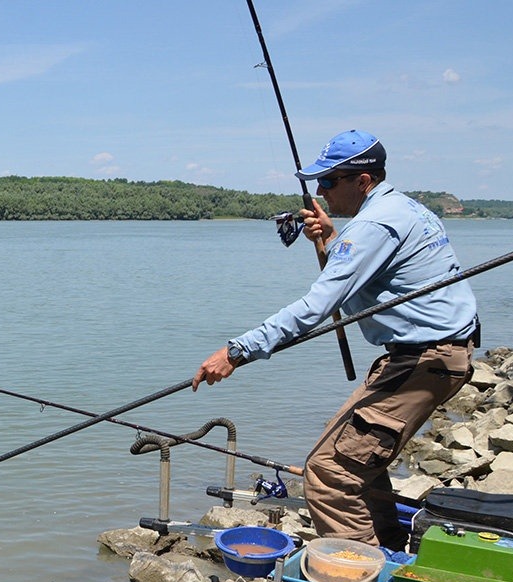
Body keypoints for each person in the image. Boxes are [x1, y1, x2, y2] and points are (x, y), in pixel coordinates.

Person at [191, 130, 478, 551]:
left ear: (362, 181)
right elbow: (356, 286)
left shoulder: (374, 225)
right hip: (429, 354)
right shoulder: (403, 210)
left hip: (424, 358)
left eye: (329, 180)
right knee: (352, 457)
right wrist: (328, 240)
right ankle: (390, 549)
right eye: (320, 181)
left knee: (328, 474)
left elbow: (316, 306)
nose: (321, 191)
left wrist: (237, 351)